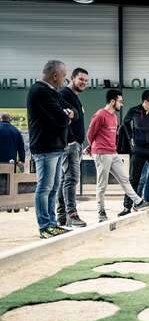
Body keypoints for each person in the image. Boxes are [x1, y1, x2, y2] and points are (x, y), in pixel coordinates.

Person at [86, 89, 149, 222]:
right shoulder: (100, 115)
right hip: (101, 153)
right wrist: (94, 148)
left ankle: (138, 202)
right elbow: (90, 134)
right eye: (120, 102)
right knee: (102, 184)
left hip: (113, 152)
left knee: (125, 179)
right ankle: (101, 212)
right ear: (112, 101)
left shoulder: (114, 117)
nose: (121, 104)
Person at [27, 60, 74, 239]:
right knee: (45, 187)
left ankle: (52, 224)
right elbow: (61, 118)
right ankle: (45, 226)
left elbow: (72, 112)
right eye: (63, 76)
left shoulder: (52, 92)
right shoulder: (40, 91)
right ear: (55, 76)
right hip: (45, 147)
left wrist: (68, 114)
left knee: (54, 187)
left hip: (55, 146)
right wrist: (66, 115)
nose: (64, 80)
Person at [57, 68, 89, 228]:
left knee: (65, 179)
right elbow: (62, 118)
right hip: (70, 145)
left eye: (86, 80)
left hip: (76, 144)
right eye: (81, 79)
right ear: (72, 78)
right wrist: (70, 141)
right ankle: (72, 215)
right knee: (71, 179)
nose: (84, 83)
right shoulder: (64, 94)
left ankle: (62, 215)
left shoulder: (74, 97)